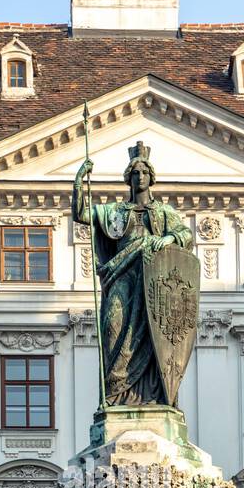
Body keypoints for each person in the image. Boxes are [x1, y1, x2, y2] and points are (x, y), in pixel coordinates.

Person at [72, 142, 194, 407]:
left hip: (152, 280)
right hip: (122, 275)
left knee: (153, 334)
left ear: (151, 178)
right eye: (135, 173)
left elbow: (186, 235)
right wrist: (79, 180)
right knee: (113, 326)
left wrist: (169, 237)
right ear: (128, 177)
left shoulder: (164, 213)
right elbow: (81, 214)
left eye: (144, 173)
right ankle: (116, 396)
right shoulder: (115, 212)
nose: (140, 177)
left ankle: (152, 396)